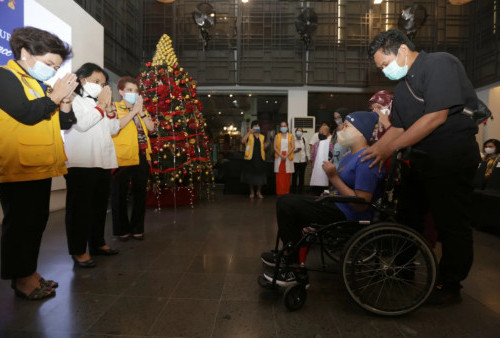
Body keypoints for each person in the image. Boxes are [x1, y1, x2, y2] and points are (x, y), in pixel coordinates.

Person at [362, 29, 481, 305]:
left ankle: (450, 285)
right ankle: (404, 268)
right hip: (422, 159)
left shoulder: (440, 63)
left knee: (450, 222)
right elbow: (399, 128)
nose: (384, 72)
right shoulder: (402, 89)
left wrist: (390, 147)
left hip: (452, 156)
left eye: (384, 65)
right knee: (408, 215)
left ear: (402, 51)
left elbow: (436, 116)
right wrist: (375, 151)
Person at [261, 111, 383, 285]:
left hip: (348, 214)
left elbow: (362, 204)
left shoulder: (366, 159)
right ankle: (289, 254)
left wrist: (333, 177)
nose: (341, 129)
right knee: (286, 201)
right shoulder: (350, 156)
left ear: (360, 132)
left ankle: (293, 266)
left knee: (287, 203)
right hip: (338, 204)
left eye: (347, 126)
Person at [0, 27, 76, 299]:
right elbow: (27, 114)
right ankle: (21, 279)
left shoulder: (39, 85)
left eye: (56, 66)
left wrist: (64, 101)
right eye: (49, 64)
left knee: (35, 224)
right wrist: (55, 96)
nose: (53, 71)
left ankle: (29, 272)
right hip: (17, 167)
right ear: (25, 53)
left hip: (40, 165)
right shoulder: (5, 76)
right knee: (20, 226)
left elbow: (64, 123)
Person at [64, 63, 120, 268]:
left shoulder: (101, 103)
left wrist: (110, 108)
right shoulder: (74, 100)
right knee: (79, 209)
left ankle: (97, 243)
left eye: (103, 83)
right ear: (82, 79)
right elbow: (82, 123)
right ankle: (78, 250)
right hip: (81, 162)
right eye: (96, 81)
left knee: (98, 207)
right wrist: (101, 106)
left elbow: (113, 130)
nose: (100, 86)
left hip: (102, 161)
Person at [111, 76, 154, 241]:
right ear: (121, 92)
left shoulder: (142, 110)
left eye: (136, 91)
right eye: (129, 90)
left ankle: (137, 228)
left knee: (140, 194)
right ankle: (122, 229)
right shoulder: (114, 107)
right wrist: (133, 112)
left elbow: (151, 128)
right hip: (121, 157)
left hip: (141, 155)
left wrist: (141, 112)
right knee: (119, 194)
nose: (133, 93)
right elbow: (117, 126)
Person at [241, 120, 268, 198]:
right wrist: (249, 132)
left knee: (261, 177)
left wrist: (266, 146)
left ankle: (258, 192)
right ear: (252, 127)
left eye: (258, 126)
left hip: (260, 158)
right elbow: (243, 141)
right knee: (251, 177)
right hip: (251, 159)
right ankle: (252, 192)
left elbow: (264, 147)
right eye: (255, 126)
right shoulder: (249, 136)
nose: (257, 127)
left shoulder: (262, 136)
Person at [310, 124, 333, 196]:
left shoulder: (330, 144)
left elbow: (331, 156)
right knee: (316, 189)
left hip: (325, 169)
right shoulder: (316, 144)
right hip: (316, 169)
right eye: (320, 132)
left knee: (324, 188)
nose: (321, 134)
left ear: (327, 133)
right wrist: (313, 164)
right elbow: (313, 156)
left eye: (323, 132)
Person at [274, 121, 295, 195]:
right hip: (279, 157)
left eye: (284, 126)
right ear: (280, 128)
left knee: (287, 176)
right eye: (282, 126)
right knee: (279, 177)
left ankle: (286, 193)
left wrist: (286, 155)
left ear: (287, 127)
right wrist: (281, 155)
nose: (283, 127)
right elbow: (275, 147)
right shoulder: (277, 136)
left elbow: (293, 147)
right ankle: (279, 193)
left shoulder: (291, 136)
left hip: (288, 156)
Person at [291, 127, 310, 194]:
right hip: (294, 161)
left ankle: (300, 191)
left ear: (302, 133)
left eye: (300, 131)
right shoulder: (292, 139)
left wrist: (308, 158)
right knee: (294, 177)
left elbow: (307, 149)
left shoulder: (304, 140)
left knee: (302, 177)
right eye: (298, 131)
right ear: (295, 132)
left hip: (303, 161)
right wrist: (295, 151)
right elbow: (289, 151)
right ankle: (293, 191)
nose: (299, 132)